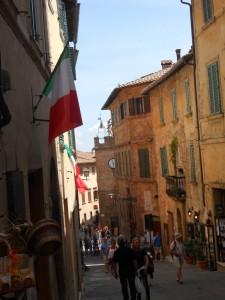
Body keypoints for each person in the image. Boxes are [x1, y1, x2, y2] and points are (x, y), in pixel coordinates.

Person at [113, 235, 136, 300]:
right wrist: (136, 269)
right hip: (131, 270)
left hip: (122, 271)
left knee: (124, 287)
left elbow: (114, 263)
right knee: (132, 286)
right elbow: (134, 261)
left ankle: (126, 298)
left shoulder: (116, 252)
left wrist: (115, 272)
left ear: (118, 243)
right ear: (124, 242)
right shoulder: (130, 250)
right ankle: (133, 298)